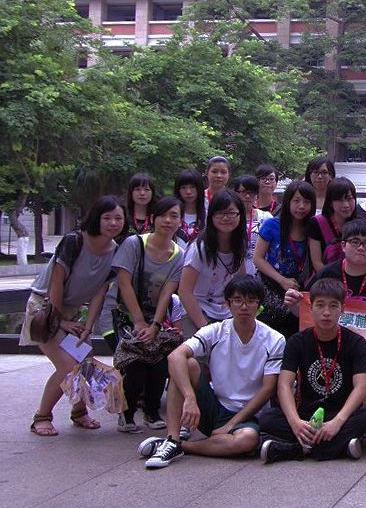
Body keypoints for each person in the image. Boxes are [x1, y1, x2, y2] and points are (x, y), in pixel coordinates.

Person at [138, 276, 285, 469]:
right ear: (227, 304)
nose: (244, 306)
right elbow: (175, 356)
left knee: (247, 439)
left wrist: (231, 424)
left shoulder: (274, 339)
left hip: (248, 415)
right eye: (237, 300)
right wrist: (190, 398)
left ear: (259, 305)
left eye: (251, 301)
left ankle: (181, 446)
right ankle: (172, 438)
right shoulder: (216, 331)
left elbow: (267, 389)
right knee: (185, 364)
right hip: (214, 407)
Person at [26, 196, 125, 436]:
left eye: (118, 218)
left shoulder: (116, 251)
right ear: (96, 218)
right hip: (45, 309)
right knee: (68, 366)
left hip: (73, 314)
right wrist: (59, 321)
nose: (113, 223)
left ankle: (79, 413)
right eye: (107, 218)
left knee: (84, 363)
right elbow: (56, 282)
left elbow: (100, 293)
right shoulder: (74, 241)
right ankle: (42, 417)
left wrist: (88, 327)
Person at [259, 278, 366, 463]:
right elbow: (284, 385)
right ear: (310, 308)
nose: (326, 312)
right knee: (267, 418)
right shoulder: (297, 341)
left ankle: (298, 449)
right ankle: (338, 447)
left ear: (342, 309)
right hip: (307, 415)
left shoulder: (356, 342)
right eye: (320, 305)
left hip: (340, 413)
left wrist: (337, 423)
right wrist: (295, 422)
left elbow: (361, 387)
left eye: (333, 306)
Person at [111, 197, 184, 433]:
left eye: (174, 216)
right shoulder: (134, 244)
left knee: (160, 363)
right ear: (153, 218)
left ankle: (152, 413)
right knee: (135, 365)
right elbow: (124, 283)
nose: (168, 220)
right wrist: (138, 320)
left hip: (155, 319)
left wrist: (155, 325)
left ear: (180, 221)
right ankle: (127, 414)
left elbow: (167, 293)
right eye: (163, 215)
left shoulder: (179, 255)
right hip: (126, 315)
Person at [177, 190, 251, 338]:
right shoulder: (199, 248)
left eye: (231, 213)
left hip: (227, 310)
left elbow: (242, 282)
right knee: (199, 350)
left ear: (240, 215)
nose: (225, 218)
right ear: (211, 216)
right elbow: (185, 292)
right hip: (197, 309)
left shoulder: (241, 245)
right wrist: (206, 329)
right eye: (219, 213)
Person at [254, 180, 315, 336]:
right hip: (269, 283)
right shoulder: (272, 225)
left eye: (306, 202)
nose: (301, 206)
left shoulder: (312, 229)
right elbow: (258, 258)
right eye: (296, 201)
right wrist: (281, 280)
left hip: (296, 285)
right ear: (288, 202)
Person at [296, 219, 366, 305]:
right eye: (355, 242)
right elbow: (306, 307)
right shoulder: (325, 274)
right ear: (343, 246)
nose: (361, 248)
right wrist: (294, 304)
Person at [308, 177, 361, 271]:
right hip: (325, 276)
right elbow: (316, 262)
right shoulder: (317, 223)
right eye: (340, 200)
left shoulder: (360, 224)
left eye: (349, 199)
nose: (346, 205)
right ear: (330, 202)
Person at [231, 175, 271, 275]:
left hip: (261, 272)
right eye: (243, 192)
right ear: (235, 193)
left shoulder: (266, 217)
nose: (248, 196)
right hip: (234, 271)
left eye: (251, 192)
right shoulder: (229, 218)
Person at [173, 168, 206, 246]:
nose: (188, 192)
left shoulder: (208, 214)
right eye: (183, 187)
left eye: (192, 187)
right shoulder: (171, 214)